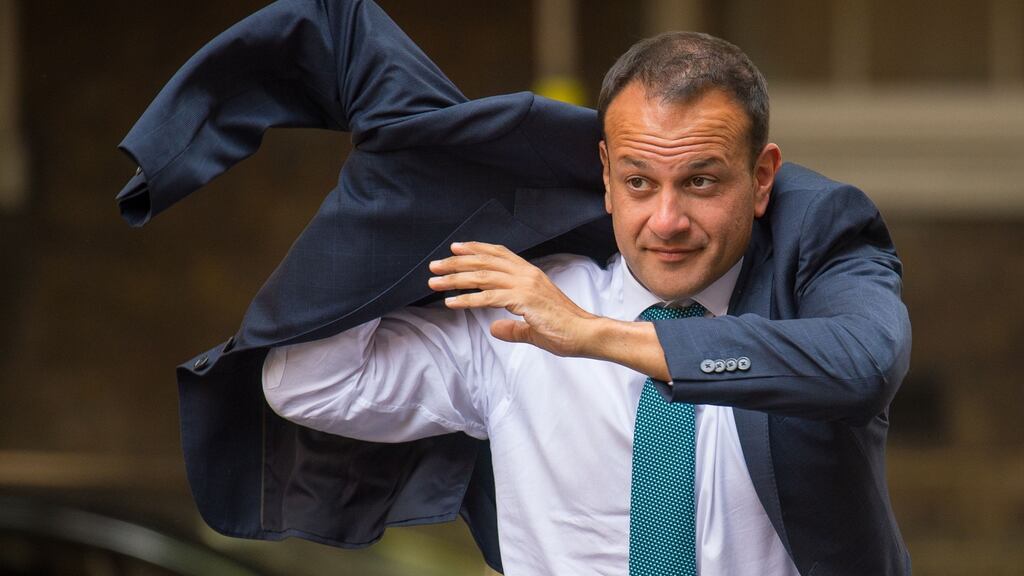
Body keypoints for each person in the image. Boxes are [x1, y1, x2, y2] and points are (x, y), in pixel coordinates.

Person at [116, 1, 910, 574]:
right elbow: (307, 381)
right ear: (603, 176)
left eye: (701, 182)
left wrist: (592, 335)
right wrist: (400, 188)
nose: (666, 219)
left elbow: (862, 364)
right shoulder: (519, 310)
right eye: (639, 181)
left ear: (763, 178)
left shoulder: (817, 264)